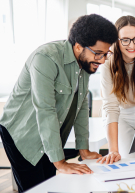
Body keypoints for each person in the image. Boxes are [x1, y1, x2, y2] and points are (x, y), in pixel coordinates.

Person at [0, 14, 118, 192]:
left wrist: (83, 149)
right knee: (35, 189)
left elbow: (81, 106)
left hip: (49, 135)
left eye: (106, 54)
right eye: (98, 54)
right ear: (78, 46)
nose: (102, 60)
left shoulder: (85, 64)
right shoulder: (46, 58)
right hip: (23, 134)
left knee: (50, 186)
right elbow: (45, 110)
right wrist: (60, 162)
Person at [97, 16, 135, 164]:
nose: (132, 45)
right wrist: (113, 150)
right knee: (130, 162)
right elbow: (110, 107)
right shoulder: (107, 63)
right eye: (125, 40)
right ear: (116, 41)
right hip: (120, 115)